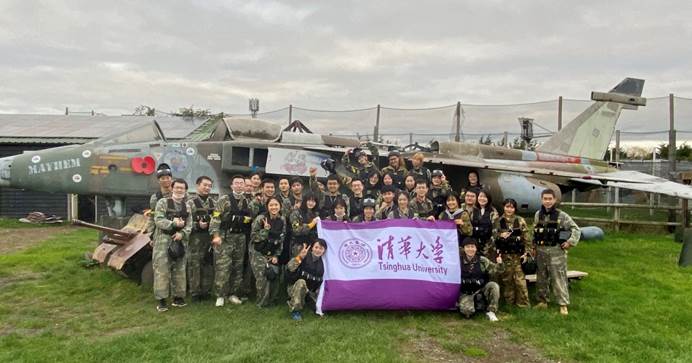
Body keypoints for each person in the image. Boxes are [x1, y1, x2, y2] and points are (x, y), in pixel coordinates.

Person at [532, 189, 580, 316]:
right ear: (541, 200)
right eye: (545, 199)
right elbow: (535, 231)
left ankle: (563, 304)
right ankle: (542, 301)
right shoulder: (538, 214)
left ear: (554, 200)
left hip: (556, 252)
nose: (547, 201)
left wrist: (570, 242)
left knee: (558, 278)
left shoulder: (562, 215)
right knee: (541, 278)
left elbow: (576, 229)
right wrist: (532, 246)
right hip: (541, 251)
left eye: (550, 199)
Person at [209, 175, 253, 307]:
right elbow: (216, 217)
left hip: (240, 238)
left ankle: (233, 294)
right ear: (232, 185)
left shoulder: (248, 202)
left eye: (242, 183)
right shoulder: (224, 200)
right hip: (225, 237)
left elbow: (251, 219)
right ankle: (220, 295)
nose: (239, 185)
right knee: (223, 267)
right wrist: (215, 235)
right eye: (237, 183)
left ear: (245, 186)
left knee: (237, 267)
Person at [152, 178, 192, 312]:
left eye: (182, 188)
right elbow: (158, 220)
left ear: (185, 190)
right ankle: (162, 300)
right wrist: (172, 224)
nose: (179, 190)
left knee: (180, 270)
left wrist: (183, 233)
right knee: (162, 270)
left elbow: (189, 224)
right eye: (177, 187)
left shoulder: (187, 206)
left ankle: (178, 297)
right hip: (164, 240)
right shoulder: (162, 202)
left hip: (180, 241)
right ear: (172, 188)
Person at [494, 198, 531, 307]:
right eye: (507, 207)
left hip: (518, 256)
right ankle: (509, 304)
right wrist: (500, 235)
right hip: (504, 256)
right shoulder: (498, 221)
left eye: (512, 207)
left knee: (520, 282)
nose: (509, 209)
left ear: (514, 209)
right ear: (503, 207)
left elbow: (527, 238)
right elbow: (493, 236)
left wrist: (527, 252)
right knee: (507, 280)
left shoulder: (520, 221)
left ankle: (523, 304)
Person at [249, 197, 285, 307]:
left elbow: (282, 238)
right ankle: (262, 303)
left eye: (276, 205)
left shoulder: (282, 219)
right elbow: (253, 237)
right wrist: (265, 230)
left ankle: (273, 300)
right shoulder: (261, 218)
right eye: (271, 205)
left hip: (273, 251)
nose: (274, 207)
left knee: (274, 275)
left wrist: (276, 255)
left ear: (280, 206)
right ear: (267, 207)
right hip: (258, 251)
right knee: (262, 278)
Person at [458, 237, 503, 321]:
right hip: (466, 292)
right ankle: (475, 303)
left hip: (480, 289)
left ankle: (491, 311)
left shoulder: (482, 260)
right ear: (464, 248)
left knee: (494, 286)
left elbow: (496, 270)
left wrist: (500, 264)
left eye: (472, 247)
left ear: (476, 248)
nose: (470, 249)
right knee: (467, 312)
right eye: (467, 247)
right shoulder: (458, 261)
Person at [186, 176, 216, 302]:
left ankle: (206, 290)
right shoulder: (190, 203)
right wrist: (197, 225)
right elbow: (186, 223)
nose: (207, 188)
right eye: (205, 185)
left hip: (208, 238)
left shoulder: (214, 203)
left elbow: (217, 219)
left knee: (208, 264)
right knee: (194, 265)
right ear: (198, 185)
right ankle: (195, 292)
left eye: (209, 186)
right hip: (195, 239)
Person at [287, 238, 327, 321]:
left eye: (321, 248)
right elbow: (290, 267)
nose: (318, 250)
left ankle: (307, 303)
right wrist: (299, 257)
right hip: (296, 288)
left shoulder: (324, 262)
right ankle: (296, 311)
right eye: (316, 247)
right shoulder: (304, 256)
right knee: (301, 282)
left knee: (320, 309)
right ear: (312, 248)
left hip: (310, 291)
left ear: (324, 251)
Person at [146, 164, 173, 236]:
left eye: (168, 178)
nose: (166, 180)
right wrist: (150, 234)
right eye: (163, 178)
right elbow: (152, 217)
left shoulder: (179, 194)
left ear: (171, 179)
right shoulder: (155, 198)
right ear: (158, 180)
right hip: (161, 235)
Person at [289, 193, 320, 257]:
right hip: (299, 246)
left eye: (313, 201)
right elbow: (296, 230)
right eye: (309, 200)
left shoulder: (316, 214)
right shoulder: (295, 213)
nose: (311, 203)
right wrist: (310, 225)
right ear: (305, 201)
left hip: (312, 246)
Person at [472, 190, 498, 257]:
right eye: (480, 196)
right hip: (475, 245)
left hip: (488, 246)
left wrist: (488, 246)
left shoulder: (493, 212)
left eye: (485, 197)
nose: (482, 199)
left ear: (488, 199)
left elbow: (495, 231)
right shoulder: (473, 210)